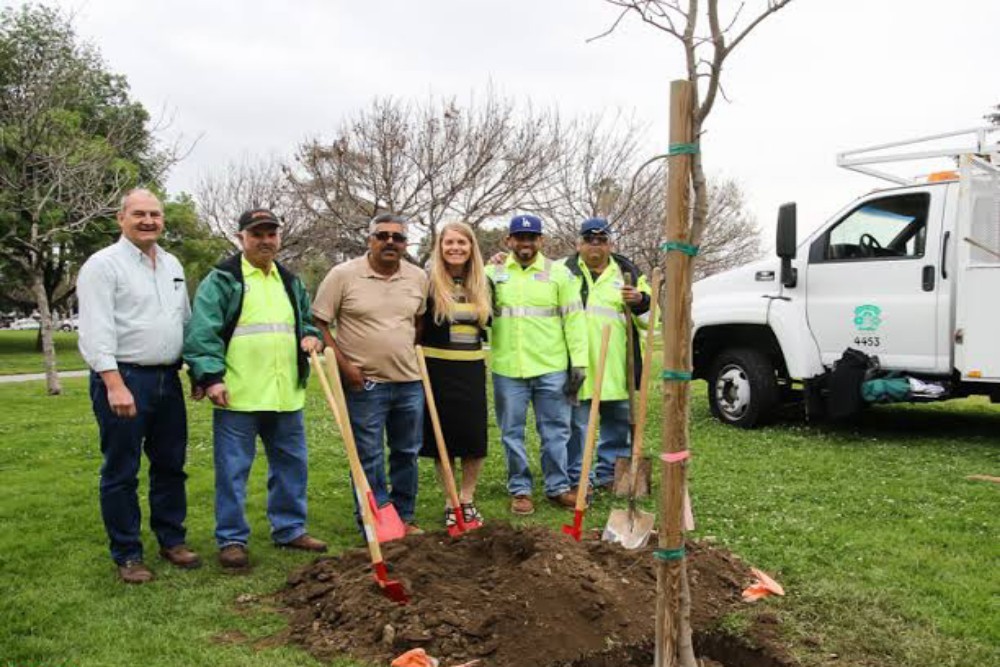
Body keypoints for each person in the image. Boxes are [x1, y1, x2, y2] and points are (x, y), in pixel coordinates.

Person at [184, 208, 327, 570]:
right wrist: (211, 377)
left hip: (285, 396)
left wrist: (312, 338)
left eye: (271, 233)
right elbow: (203, 335)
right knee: (233, 472)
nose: (265, 240)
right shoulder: (222, 280)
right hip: (239, 396)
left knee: (292, 467)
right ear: (241, 238)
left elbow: (307, 323)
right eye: (257, 234)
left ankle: (290, 529)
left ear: (279, 237)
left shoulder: (290, 281)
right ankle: (232, 539)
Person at [77, 188, 200, 583]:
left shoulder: (172, 263)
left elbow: (184, 322)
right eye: (139, 214)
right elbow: (96, 330)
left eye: (156, 215)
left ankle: (171, 539)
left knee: (170, 465)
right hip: (125, 378)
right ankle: (128, 553)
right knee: (122, 470)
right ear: (121, 218)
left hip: (168, 379)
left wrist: (196, 370)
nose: (149, 221)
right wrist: (113, 382)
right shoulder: (103, 265)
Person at [311, 214, 428, 534]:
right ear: (370, 240)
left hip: (409, 383)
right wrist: (344, 365)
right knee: (368, 455)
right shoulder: (342, 275)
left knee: (407, 452)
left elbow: (419, 322)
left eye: (398, 238)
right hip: (364, 385)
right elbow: (320, 323)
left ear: (406, 245)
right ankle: (376, 522)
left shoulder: (418, 278)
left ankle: (403, 516)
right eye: (382, 235)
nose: (390, 242)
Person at [486, 214, 588, 515]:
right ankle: (520, 489)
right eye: (519, 237)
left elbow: (574, 320)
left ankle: (557, 487)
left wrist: (578, 363)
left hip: (550, 368)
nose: (525, 243)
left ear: (541, 241)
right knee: (511, 432)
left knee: (556, 431)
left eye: (531, 238)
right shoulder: (493, 271)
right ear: (509, 241)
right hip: (508, 369)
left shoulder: (559, 274)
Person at [561, 218, 651, 493]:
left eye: (602, 240)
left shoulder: (629, 273)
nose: (595, 246)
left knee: (617, 425)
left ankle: (609, 474)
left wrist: (640, 301)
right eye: (589, 240)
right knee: (578, 427)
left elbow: (651, 320)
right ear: (579, 243)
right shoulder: (563, 272)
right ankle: (580, 477)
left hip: (618, 366)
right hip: (578, 365)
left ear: (611, 244)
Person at [418, 221, 492, 528]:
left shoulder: (484, 284)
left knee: (473, 438)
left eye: (462, 242)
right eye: (449, 242)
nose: (455, 248)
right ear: (440, 247)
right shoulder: (428, 283)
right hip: (437, 370)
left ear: (472, 247)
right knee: (443, 439)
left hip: (472, 369)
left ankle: (467, 499)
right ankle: (451, 501)